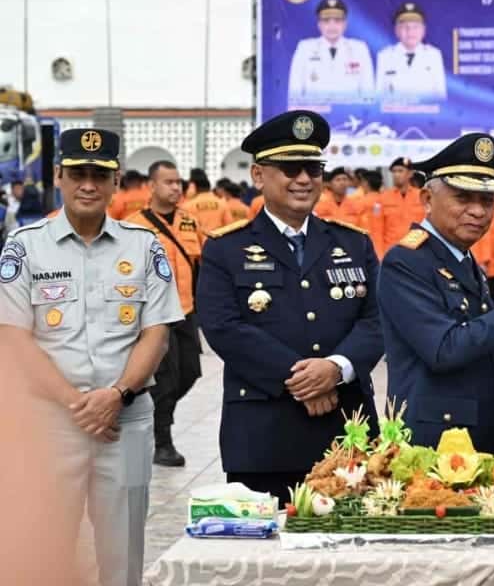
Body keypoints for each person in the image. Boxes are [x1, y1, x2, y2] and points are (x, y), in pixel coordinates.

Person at [0, 128, 183, 586]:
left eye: (99, 175)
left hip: (126, 420)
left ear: (116, 181)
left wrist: (116, 395)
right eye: (77, 174)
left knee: (123, 555)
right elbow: (14, 338)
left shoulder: (143, 246)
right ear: (58, 176)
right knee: (45, 552)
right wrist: (77, 404)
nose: (88, 185)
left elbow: (156, 333)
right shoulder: (25, 246)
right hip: (48, 423)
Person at [196, 111, 384, 504]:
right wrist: (302, 379)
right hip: (264, 434)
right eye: (290, 168)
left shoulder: (354, 243)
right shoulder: (226, 247)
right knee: (264, 542)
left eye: (313, 169)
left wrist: (335, 369)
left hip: (346, 430)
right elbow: (223, 327)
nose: (303, 179)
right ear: (258, 175)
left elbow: (378, 320)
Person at [377, 133, 494, 454]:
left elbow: (480, 363)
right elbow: (444, 350)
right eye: (463, 198)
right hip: (434, 447)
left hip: (476, 439)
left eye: (487, 201)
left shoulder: (461, 257)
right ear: (427, 199)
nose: (477, 211)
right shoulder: (406, 260)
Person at [125, 160, 205, 467]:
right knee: (165, 380)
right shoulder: (134, 226)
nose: (176, 187)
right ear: (151, 186)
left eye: (178, 182)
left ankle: (150, 414)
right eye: (168, 182)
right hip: (154, 316)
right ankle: (162, 442)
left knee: (190, 372)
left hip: (186, 310)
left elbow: (203, 263)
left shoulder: (190, 222)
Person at [288, 0, 375, 103]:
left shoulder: (359, 49)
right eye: (326, 20)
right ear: (319, 25)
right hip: (314, 112)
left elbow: (368, 94)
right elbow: (295, 93)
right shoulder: (305, 49)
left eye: (337, 20)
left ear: (345, 24)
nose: (332, 26)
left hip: (350, 112)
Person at [375, 2, 446, 100]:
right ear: (396, 31)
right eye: (405, 27)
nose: (410, 31)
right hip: (394, 109)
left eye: (415, 27)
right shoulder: (385, 56)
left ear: (423, 30)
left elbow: (440, 95)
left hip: (425, 109)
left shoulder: (433, 55)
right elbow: (379, 94)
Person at [370, 157, 425, 258]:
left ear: (410, 174)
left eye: (400, 171)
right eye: (394, 172)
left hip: (417, 252)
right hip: (391, 253)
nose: (396, 175)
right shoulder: (381, 199)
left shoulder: (421, 196)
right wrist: (379, 255)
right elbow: (376, 230)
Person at [182, 168, 228, 232]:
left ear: (193, 186)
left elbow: (186, 232)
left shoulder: (187, 206)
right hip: (219, 237)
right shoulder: (223, 204)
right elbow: (229, 227)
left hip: (197, 238)